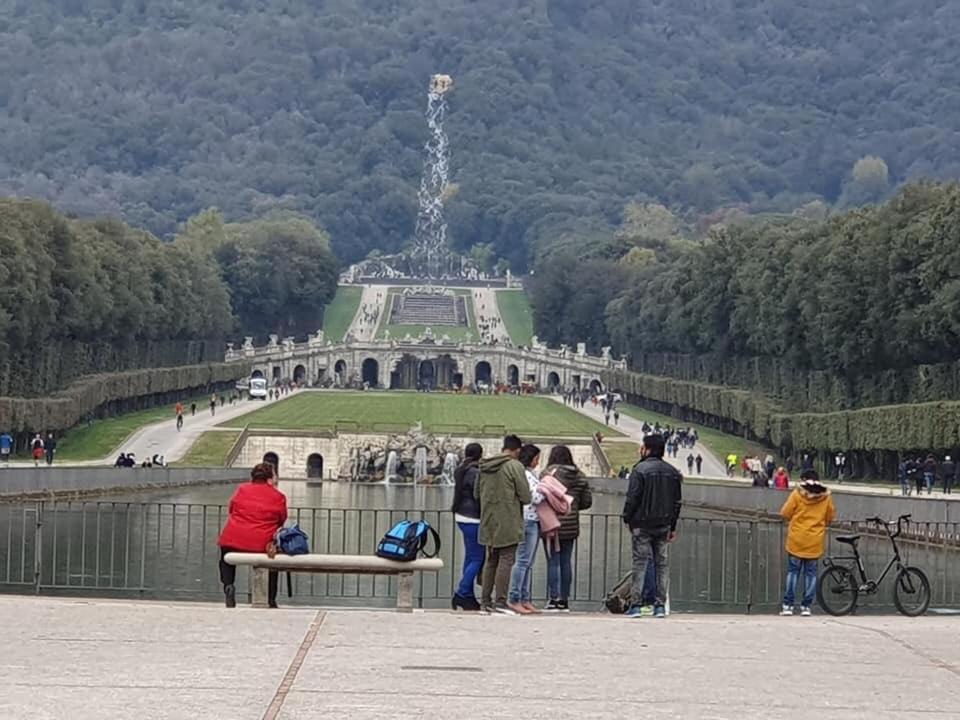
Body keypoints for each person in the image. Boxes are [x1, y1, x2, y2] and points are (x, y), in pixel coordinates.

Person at [622, 434, 682, 619]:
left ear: (647, 449)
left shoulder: (639, 470)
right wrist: (672, 526)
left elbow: (633, 498)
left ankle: (636, 604)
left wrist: (627, 517)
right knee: (661, 564)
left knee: (640, 564)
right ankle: (659, 605)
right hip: (663, 524)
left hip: (642, 523)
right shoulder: (672, 472)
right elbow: (676, 502)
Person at [218, 463, 287, 609]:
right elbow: (281, 519)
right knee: (272, 561)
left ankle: (229, 586)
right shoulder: (278, 496)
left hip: (233, 539)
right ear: (270, 478)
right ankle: (270, 598)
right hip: (260, 543)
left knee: (225, 558)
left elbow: (231, 509)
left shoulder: (242, 490)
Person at [476, 435, 531, 614]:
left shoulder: (484, 466)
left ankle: (485, 601)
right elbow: (526, 496)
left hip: (488, 519)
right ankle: (500, 601)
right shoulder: (515, 466)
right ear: (518, 450)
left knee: (491, 560)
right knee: (506, 560)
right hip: (508, 519)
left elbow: (477, 494)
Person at [541, 445, 591, 612]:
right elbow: (587, 502)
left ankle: (553, 599)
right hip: (571, 525)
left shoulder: (548, 474)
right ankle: (564, 599)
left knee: (553, 561)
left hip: (551, 522)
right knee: (566, 562)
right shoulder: (580, 476)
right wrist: (573, 506)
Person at [780, 470, 836, 616]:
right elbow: (830, 516)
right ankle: (806, 606)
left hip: (797, 539)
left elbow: (785, 513)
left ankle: (788, 605)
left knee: (793, 572)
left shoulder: (797, 494)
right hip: (815, 540)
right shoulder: (826, 497)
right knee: (810, 574)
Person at [507, 444, 545, 614]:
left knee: (527, 563)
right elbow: (533, 497)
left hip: (532, 520)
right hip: (527, 520)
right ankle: (515, 598)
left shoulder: (529, 474)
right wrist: (546, 490)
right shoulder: (526, 475)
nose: (538, 461)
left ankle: (525, 598)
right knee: (523, 562)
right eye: (537, 458)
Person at [452, 443, 484, 611]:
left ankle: (469, 596)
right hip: (474, 518)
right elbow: (478, 495)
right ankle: (462, 592)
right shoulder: (476, 472)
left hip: (461, 515)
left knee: (470, 557)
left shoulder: (460, 469)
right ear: (480, 455)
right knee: (478, 558)